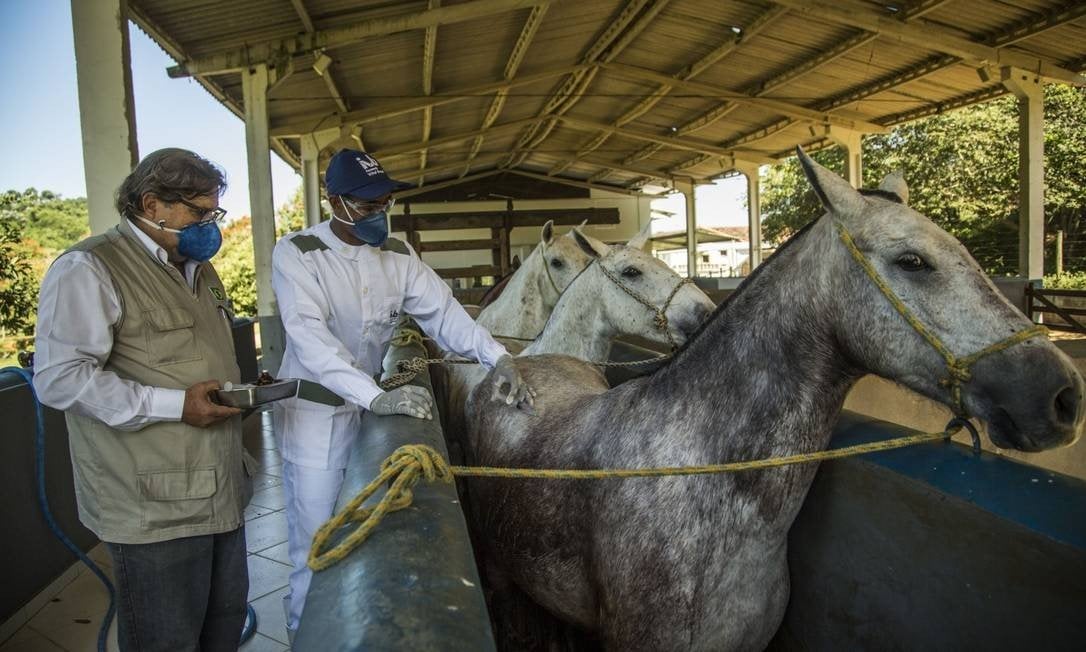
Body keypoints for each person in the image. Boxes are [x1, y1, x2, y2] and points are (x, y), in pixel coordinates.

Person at [271, 148, 534, 637]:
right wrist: (373, 396)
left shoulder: (398, 255)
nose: (379, 215)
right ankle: (303, 634)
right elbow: (309, 338)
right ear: (334, 201)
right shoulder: (298, 253)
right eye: (368, 206)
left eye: (384, 203)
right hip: (317, 413)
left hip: (370, 402)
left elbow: (443, 311)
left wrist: (495, 356)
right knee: (315, 540)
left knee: (361, 524)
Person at [32, 148, 250, 651]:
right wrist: (178, 406)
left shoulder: (198, 267)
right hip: (153, 507)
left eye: (213, 213)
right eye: (199, 213)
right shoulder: (89, 268)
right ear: (152, 205)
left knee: (222, 628)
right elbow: (61, 380)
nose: (210, 225)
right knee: (165, 640)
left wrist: (237, 388)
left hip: (220, 487)